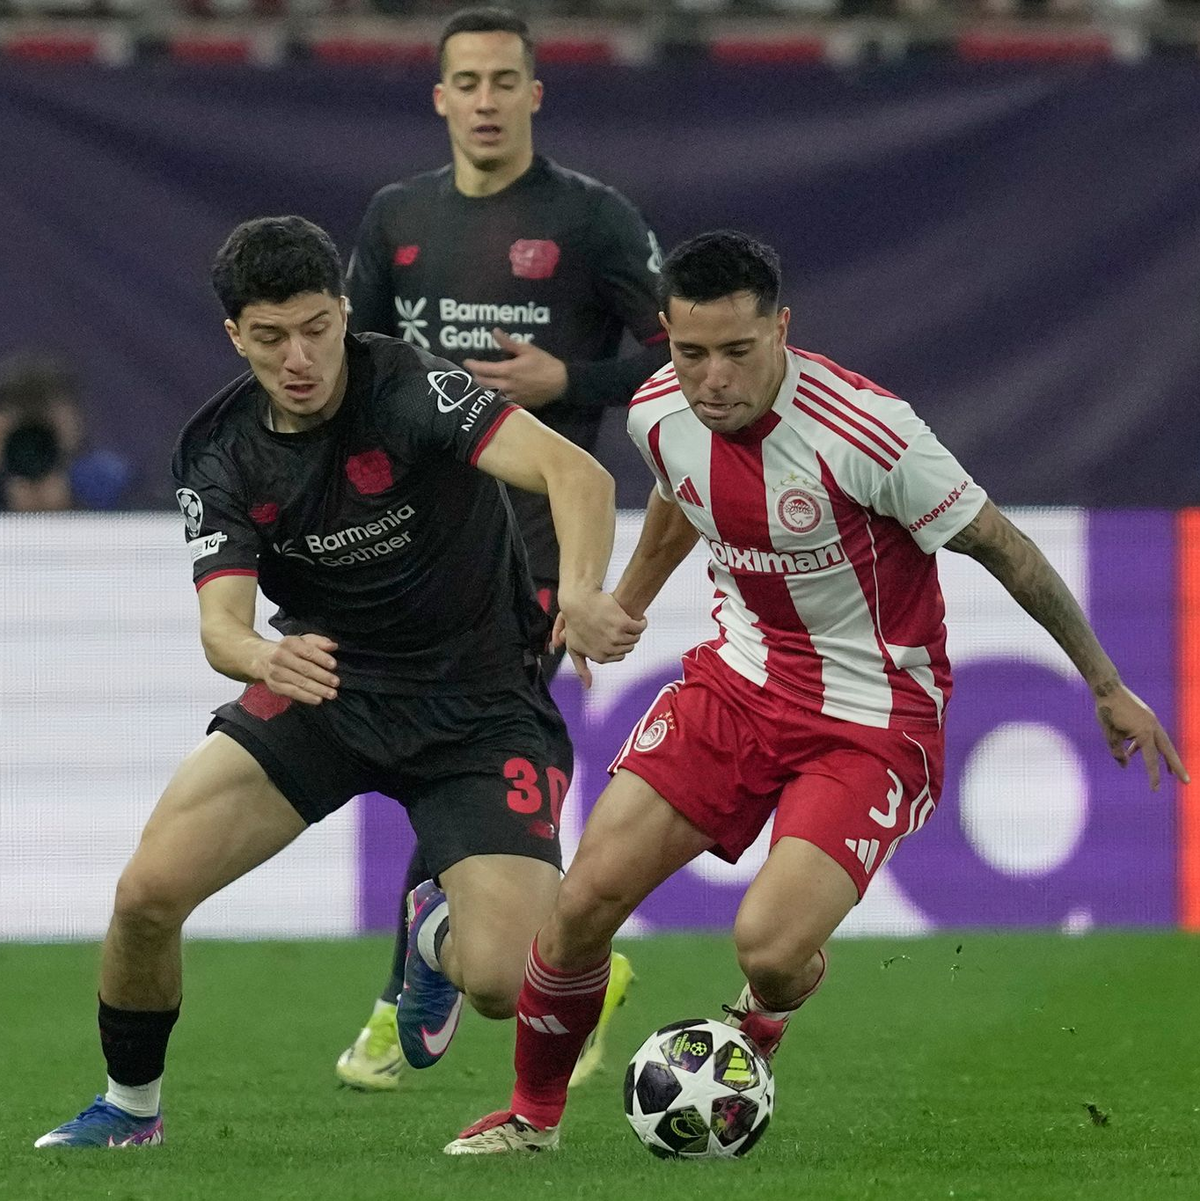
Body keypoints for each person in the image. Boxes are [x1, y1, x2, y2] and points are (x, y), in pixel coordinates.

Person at [444, 229, 1189, 1153]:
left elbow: (1003, 545)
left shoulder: (869, 433)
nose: (711, 379)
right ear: (668, 338)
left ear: (783, 329)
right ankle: (532, 1118)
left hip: (872, 718)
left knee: (769, 946)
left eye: (737, 352)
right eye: (689, 352)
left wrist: (1107, 684)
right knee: (584, 895)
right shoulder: (657, 411)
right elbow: (683, 491)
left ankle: (763, 1013)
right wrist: (625, 600)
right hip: (740, 684)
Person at [34, 214, 644, 1149]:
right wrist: (259, 657)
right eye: (272, 337)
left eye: (317, 327)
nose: (301, 356)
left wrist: (588, 590)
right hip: (323, 693)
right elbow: (221, 628)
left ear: (344, 311)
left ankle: (437, 929)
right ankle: (129, 1108)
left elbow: (578, 475)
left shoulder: (410, 387)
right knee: (146, 895)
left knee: (502, 982)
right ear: (236, 337)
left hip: (479, 708)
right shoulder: (221, 451)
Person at [336, 4, 668, 1090]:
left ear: (536, 94)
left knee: (456, 741)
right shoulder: (396, 217)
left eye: (502, 81)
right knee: (429, 750)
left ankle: (409, 996)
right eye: (465, 82)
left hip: (528, 538)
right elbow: (350, 371)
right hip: (412, 538)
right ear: (440, 98)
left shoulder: (593, 220)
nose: (484, 100)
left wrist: (569, 381)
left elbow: (689, 363)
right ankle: (542, 970)